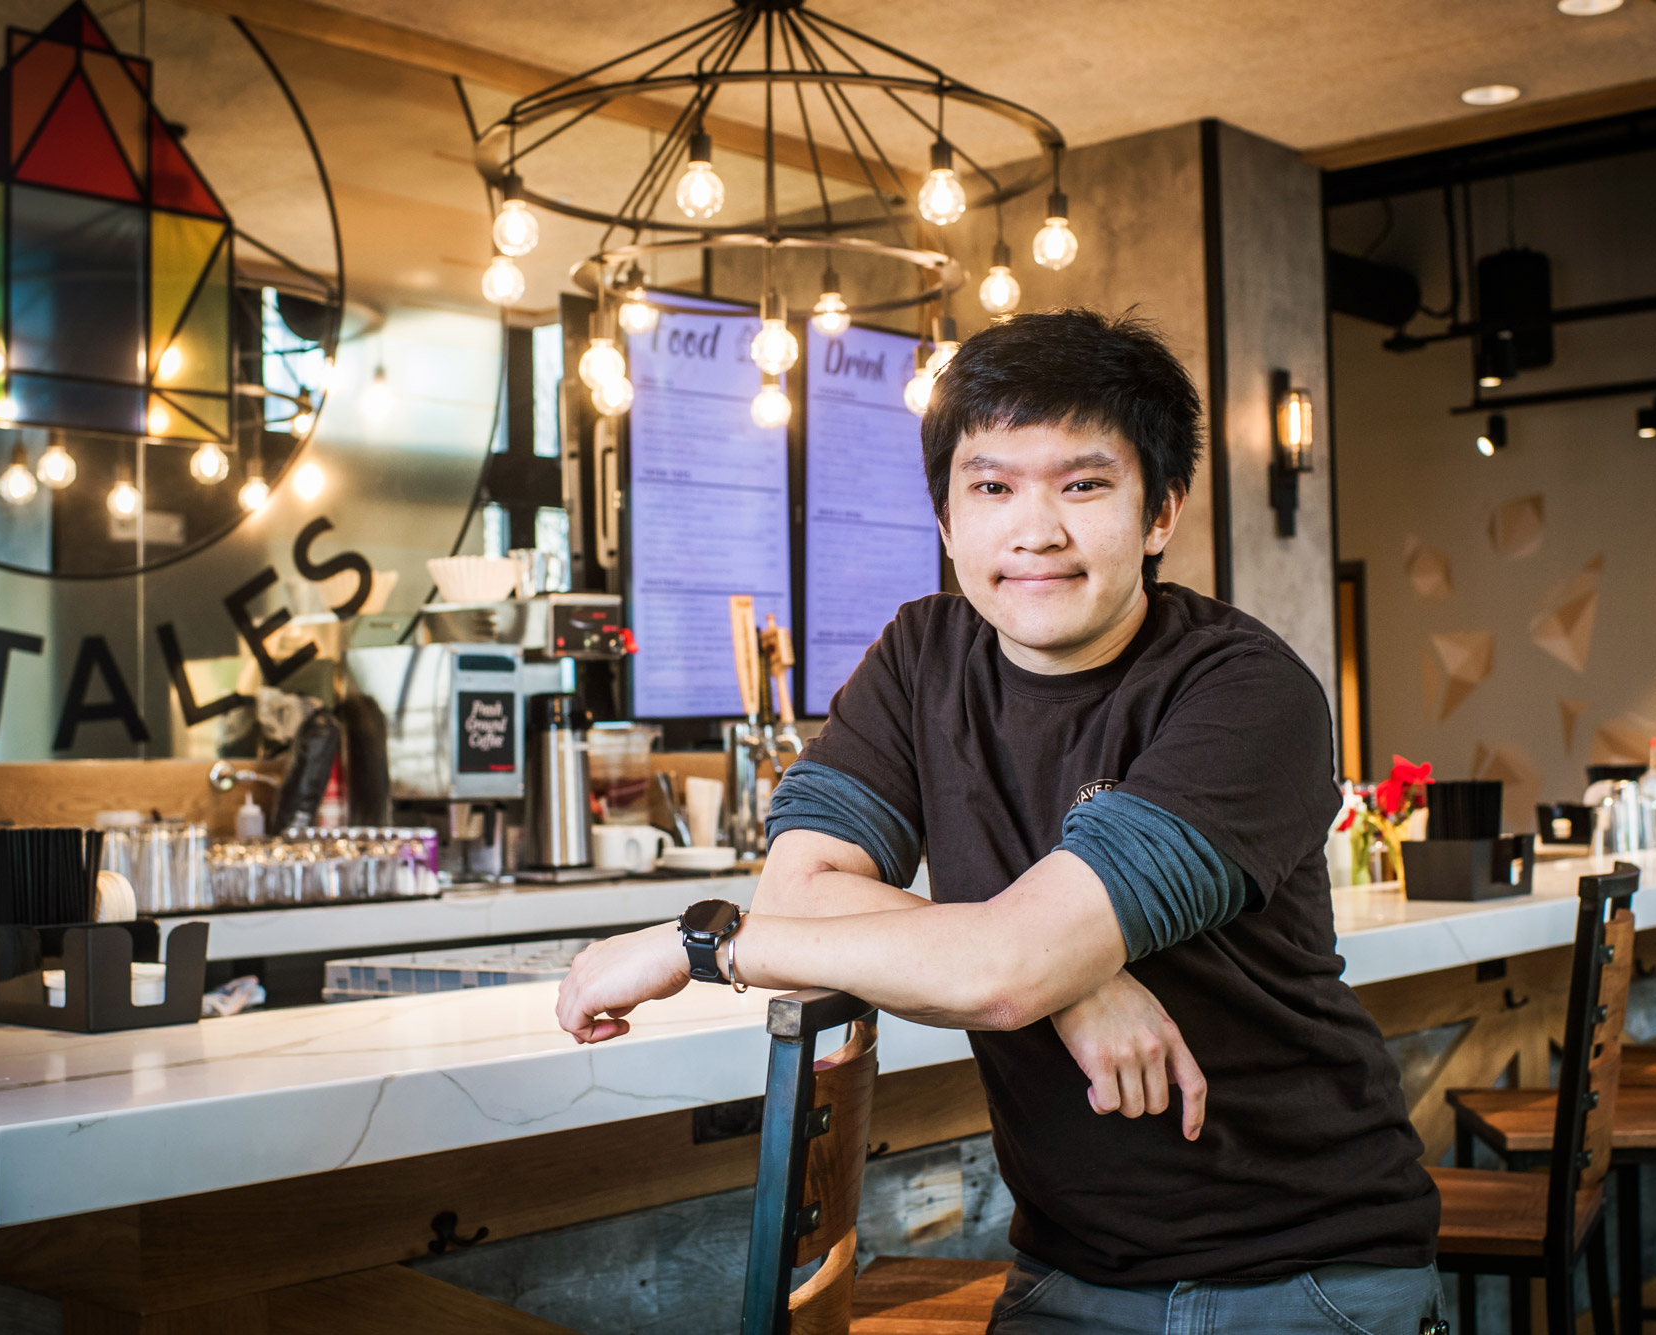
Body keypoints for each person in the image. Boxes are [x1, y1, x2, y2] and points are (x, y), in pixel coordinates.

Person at [556, 308, 1441, 1332]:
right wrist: (1072, 978)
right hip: (1067, 1272)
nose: (1033, 531)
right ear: (944, 518)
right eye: (989, 486)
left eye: (1082, 484)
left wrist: (700, 947)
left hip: (1300, 1270)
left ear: (1159, 513)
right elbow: (800, 895)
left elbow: (999, 968)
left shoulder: (1244, 694)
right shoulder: (920, 657)